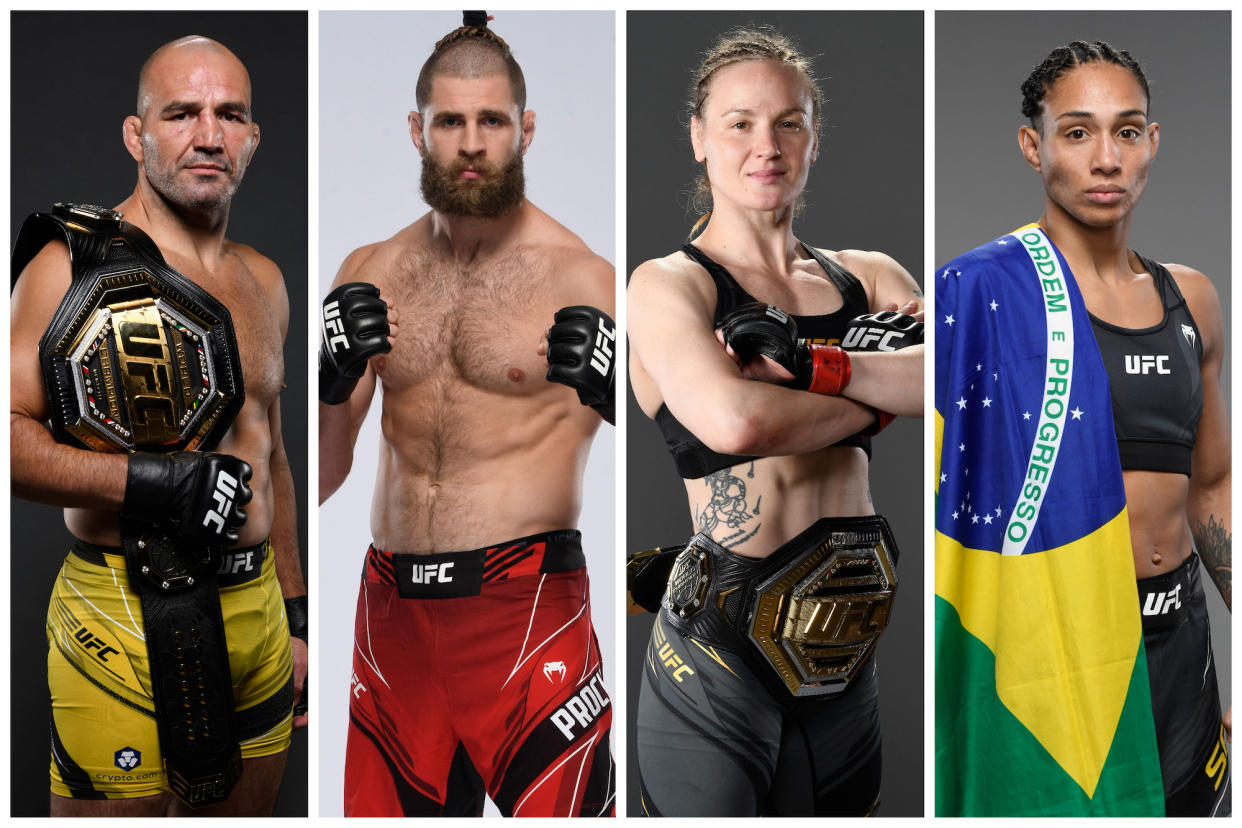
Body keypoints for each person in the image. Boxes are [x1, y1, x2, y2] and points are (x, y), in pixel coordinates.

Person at [317, 14, 616, 818]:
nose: (472, 144)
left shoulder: (587, 277)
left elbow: (690, 444)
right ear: (419, 131)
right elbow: (320, 476)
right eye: (451, 121)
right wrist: (326, 385)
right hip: (391, 620)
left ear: (525, 130)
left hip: (525, 615)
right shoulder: (368, 271)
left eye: (491, 121)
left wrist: (618, 387)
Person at [627, 28, 923, 817]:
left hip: (846, 656)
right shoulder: (668, 288)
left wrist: (812, 362)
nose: (767, 145)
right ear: (699, 137)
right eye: (740, 123)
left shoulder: (870, 275)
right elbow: (736, 423)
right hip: (721, 659)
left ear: (814, 137)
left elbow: (964, 383)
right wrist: (880, 391)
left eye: (788, 122)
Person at [9, 36, 307, 816]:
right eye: (182, 113)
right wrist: (155, 482)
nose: (209, 135)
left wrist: (296, 615)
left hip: (258, 613)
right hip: (122, 610)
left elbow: (268, 454)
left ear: (252, 138)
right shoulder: (72, 264)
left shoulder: (265, 279)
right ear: (137, 136)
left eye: (229, 114)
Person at [935, 41, 1229, 817]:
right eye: (1077, 132)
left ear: (1153, 144)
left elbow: (1214, 482)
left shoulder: (1190, 299)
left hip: (1181, 644)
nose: (1106, 158)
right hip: (1062, 654)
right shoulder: (982, 290)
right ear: (1034, 146)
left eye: (1127, 132)